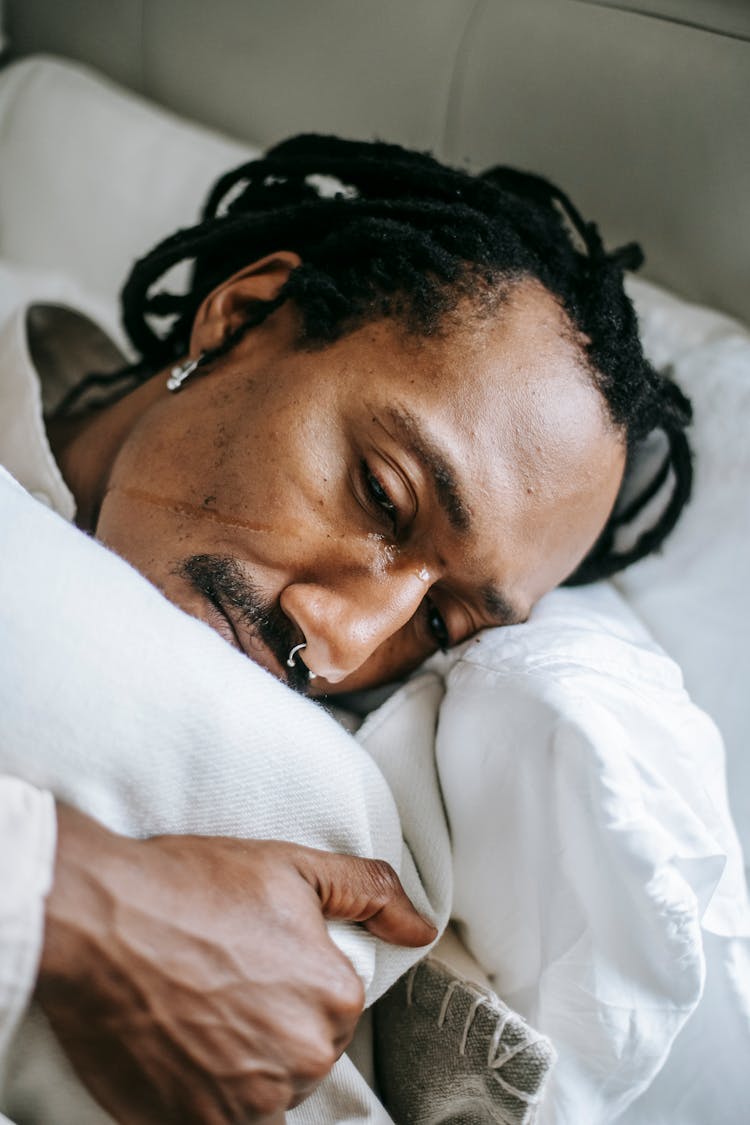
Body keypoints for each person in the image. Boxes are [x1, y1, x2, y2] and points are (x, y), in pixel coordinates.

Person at [0, 135, 693, 1122]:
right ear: (240, 318)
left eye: (443, 619)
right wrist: (77, 902)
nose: (337, 647)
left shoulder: (349, 798)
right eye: (382, 494)